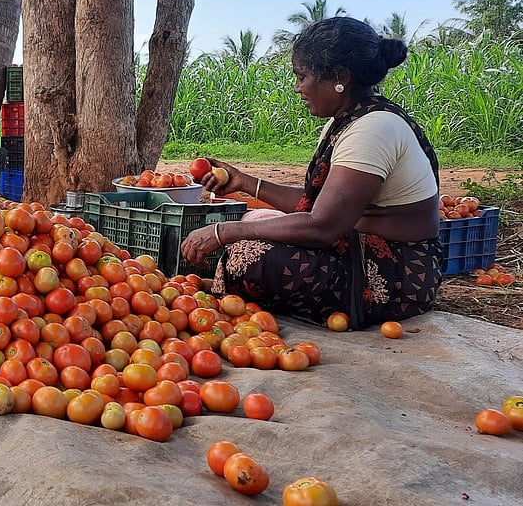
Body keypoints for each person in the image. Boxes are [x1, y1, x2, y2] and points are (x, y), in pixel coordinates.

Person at [180, 17, 442, 330]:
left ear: (339, 78)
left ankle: (239, 288)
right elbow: (315, 203)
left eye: (302, 76)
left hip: (393, 275)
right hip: (355, 244)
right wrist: (246, 183)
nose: (297, 88)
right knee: (256, 221)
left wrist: (225, 231)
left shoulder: (373, 130)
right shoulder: (349, 120)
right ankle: (238, 288)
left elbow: (322, 226)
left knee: (248, 254)